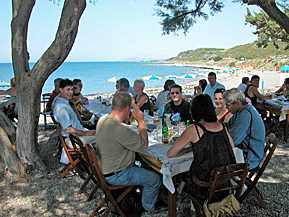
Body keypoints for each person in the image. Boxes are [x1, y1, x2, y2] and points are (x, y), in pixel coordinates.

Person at [95, 92, 162, 213]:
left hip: (105, 167)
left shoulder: (103, 119)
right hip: (118, 174)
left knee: (145, 163)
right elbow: (144, 144)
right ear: (127, 109)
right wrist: (141, 121)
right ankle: (148, 207)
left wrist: (126, 118)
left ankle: (145, 194)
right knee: (154, 179)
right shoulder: (120, 129)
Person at [167, 94, 236, 203]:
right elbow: (231, 145)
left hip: (202, 183)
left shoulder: (194, 129)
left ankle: (191, 206)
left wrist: (187, 149)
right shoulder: (222, 126)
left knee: (187, 170)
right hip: (223, 180)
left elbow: (170, 154)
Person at [223, 88, 265, 170]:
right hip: (245, 151)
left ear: (238, 104)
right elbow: (228, 125)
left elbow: (233, 139)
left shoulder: (246, 114)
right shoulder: (240, 111)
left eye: (228, 105)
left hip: (249, 158)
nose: (226, 107)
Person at [52, 79, 96, 149]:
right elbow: (68, 129)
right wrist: (86, 133)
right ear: (61, 90)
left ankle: (97, 157)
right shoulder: (61, 107)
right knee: (102, 137)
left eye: (72, 90)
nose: (70, 92)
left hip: (78, 133)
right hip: (73, 139)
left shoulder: (63, 101)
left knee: (101, 134)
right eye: (68, 90)